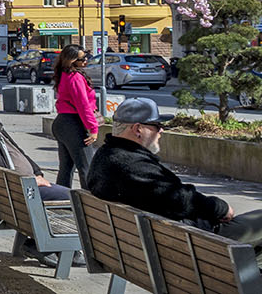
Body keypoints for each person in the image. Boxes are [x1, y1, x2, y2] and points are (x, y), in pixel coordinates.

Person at [87, 97, 262, 245]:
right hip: (193, 241)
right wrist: (220, 208)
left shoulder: (106, 155)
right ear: (137, 129)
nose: (161, 130)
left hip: (146, 244)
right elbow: (180, 199)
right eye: (156, 125)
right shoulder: (131, 164)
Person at [0, 78, 69, 202]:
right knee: (77, 199)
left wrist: (36, 173)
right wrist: (31, 180)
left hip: (23, 185)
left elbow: (17, 152)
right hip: (15, 191)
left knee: (75, 196)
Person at [53, 44, 97, 188]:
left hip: (62, 123)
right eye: (82, 59)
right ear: (71, 61)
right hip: (73, 124)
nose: (85, 61)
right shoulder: (75, 77)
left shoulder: (64, 74)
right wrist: (93, 128)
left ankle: (60, 199)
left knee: (66, 168)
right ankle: (90, 206)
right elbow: (83, 105)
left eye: (86, 57)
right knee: (87, 168)